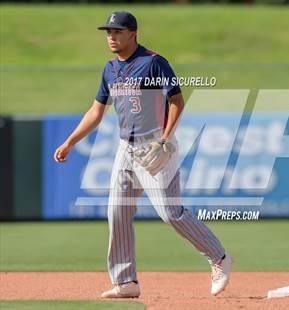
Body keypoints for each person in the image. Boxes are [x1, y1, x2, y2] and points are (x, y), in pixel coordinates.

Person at [54, 11, 232, 298]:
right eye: (108, 32)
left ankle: (219, 258)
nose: (111, 37)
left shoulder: (153, 62)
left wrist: (165, 139)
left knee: (170, 212)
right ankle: (126, 281)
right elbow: (96, 111)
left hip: (155, 145)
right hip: (126, 147)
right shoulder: (110, 69)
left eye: (117, 31)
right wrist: (70, 141)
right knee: (117, 211)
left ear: (133, 33)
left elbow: (177, 101)